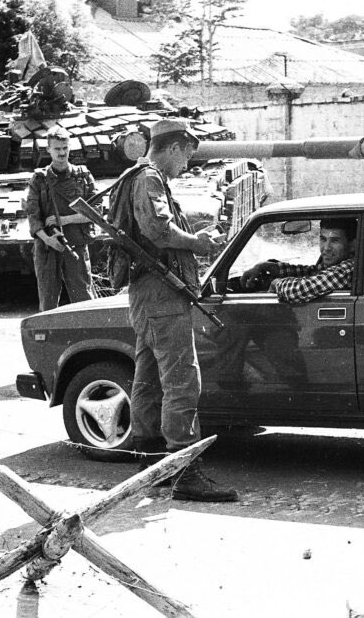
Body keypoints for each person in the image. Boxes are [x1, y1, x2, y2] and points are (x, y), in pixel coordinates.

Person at [121, 118, 237, 502]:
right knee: (183, 382)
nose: (186, 164)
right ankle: (185, 472)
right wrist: (199, 244)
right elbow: (157, 230)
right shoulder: (149, 179)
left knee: (150, 379)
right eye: (186, 156)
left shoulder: (141, 177)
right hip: (160, 296)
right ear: (173, 148)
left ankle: (150, 463)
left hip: (152, 295)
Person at [25, 126, 97, 311]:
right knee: (48, 303)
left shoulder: (83, 176)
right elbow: (33, 215)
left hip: (76, 245)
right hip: (47, 247)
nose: (62, 153)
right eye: (57, 149)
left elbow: (96, 212)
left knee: (84, 299)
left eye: (65, 148)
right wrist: (47, 239)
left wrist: (66, 220)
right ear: (48, 149)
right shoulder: (39, 179)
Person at [241, 218, 357, 304]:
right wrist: (268, 266)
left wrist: (277, 284)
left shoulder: (349, 268)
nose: (326, 248)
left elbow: (301, 289)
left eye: (335, 241)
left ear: (352, 245)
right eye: (323, 239)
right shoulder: (339, 265)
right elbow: (312, 272)